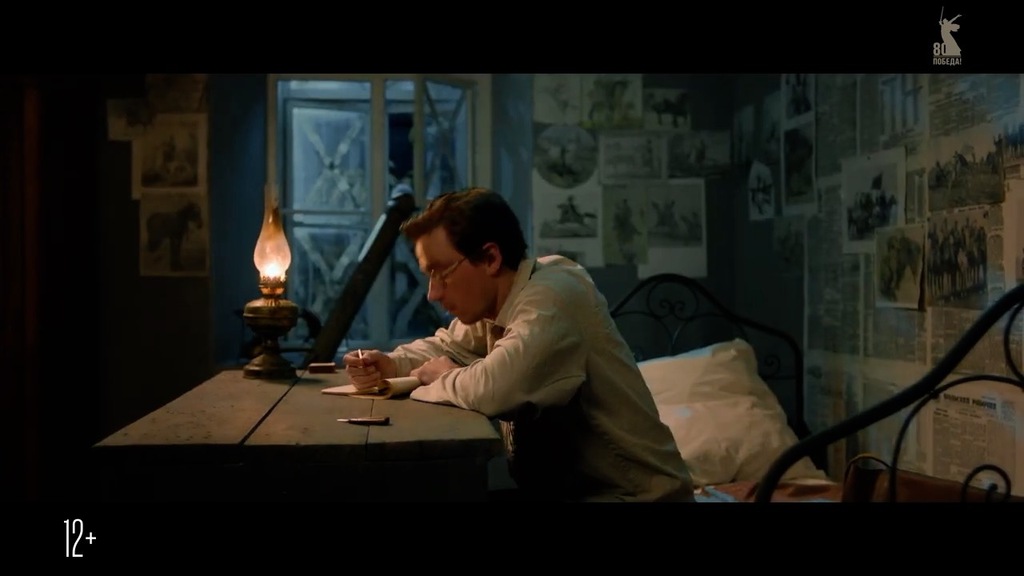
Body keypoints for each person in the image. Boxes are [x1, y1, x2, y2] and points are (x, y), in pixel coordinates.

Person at [343, 187, 694, 502]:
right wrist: (391, 363)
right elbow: (447, 347)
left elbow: (496, 388)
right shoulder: (497, 304)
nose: (433, 293)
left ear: (491, 258)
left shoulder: (553, 296)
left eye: (441, 272)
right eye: (428, 276)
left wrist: (442, 376)